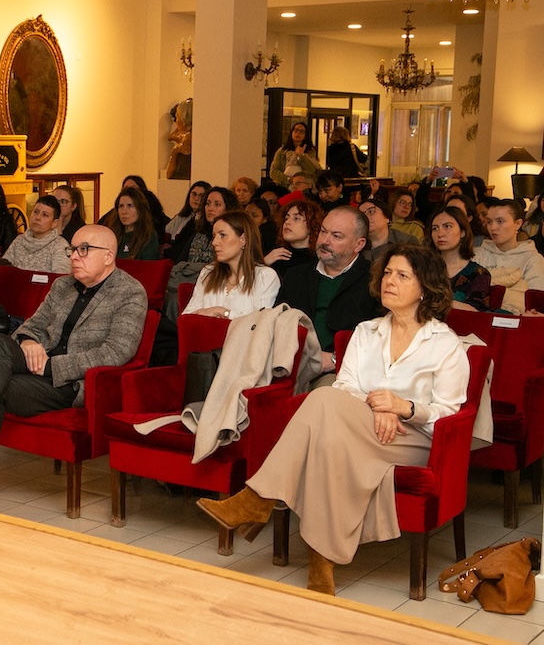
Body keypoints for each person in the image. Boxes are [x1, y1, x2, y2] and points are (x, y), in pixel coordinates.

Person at [197, 244, 469, 595]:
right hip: (364, 427)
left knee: (322, 403)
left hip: (413, 438)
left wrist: (405, 407)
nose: (390, 281)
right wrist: (379, 407)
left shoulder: (445, 343)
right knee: (327, 419)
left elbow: (450, 410)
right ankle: (320, 561)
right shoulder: (366, 332)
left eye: (402, 276)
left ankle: (259, 499)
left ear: (426, 288)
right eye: (387, 273)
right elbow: (346, 387)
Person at [0, 224, 149, 508]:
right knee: (0, 342)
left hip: (70, 382)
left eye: (84, 250)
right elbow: (29, 326)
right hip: (36, 362)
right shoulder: (63, 285)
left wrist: (52, 366)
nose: (74, 256)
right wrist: (27, 341)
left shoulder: (130, 292)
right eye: (72, 249)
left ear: (108, 256)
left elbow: (116, 352)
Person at [276, 206, 384, 383]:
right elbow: (279, 322)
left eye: (336, 236)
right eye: (323, 232)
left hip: (342, 370)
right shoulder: (297, 275)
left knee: (320, 397)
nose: (325, 241)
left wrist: (335, 358)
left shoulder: (375, 280)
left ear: (359, 244)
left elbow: (381, 338)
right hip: (290, 365)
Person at [181, 211, 280, 318]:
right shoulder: (208, 272)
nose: (214, 242)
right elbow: (186, 317)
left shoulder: (265, 276)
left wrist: (223, 312)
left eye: (222, 235)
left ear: (243, 239)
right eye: (214, 236)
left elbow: (258, 323)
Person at [164, 187, 240, 321]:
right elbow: (182, 259)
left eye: (217, 204)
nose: (210, 208)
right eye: (208, 203)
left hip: (213, 284)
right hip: (188, 278)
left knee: (174, 301)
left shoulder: (232, 237)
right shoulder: (197, 232)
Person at [474, 197, 544, 298]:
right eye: (489, 222)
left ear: (518, 224)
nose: (493, 227)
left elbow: (534, 299)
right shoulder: (477, 254)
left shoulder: (533, 259)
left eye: (500, 221)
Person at [427, 206, 491, 311]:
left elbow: (476, 311)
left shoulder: (478, 273)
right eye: (435, 228)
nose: (440, 234)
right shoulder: (423, 269)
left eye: (447, 226)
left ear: (462, 232)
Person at [0, 195, 71, 274]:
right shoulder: (19, 240)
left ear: (54, 223)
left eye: (45, 215)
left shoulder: (60, 246)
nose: (38, 217)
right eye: (36, 212)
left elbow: (61, 280)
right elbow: (3, 268)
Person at [264, 199, 324, 280]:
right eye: (286, 218)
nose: (287, 222)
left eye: (296, 218)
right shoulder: (276, 255)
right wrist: (263, 264)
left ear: (311, 225)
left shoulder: (320, 259)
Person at [105, 186, 160, 260]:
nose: (124, 212)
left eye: (130, 206)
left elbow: (148, 267)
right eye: (121, 206)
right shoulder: (111, 235)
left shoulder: (148, 236)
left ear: (140, 209)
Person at [358, 198, 419, 262]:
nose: (366, 217)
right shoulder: (356, 244)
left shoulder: (406, 242)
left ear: (387, 218)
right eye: (362, 215)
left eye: (371, 211)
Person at [269, 122, 321, 188]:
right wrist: (289, 179)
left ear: (305, 136)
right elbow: (273, 172)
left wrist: (301, 156)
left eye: (302, 131)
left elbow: (311, 171)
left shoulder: (310, 151)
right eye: (296, 130)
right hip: (284, 186)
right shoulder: (282, 151)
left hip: (303, 187)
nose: (298, 133)